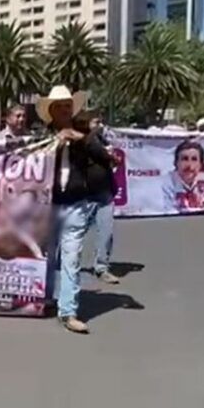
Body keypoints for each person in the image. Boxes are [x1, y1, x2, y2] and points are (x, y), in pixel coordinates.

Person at [37, 85, 107, 334]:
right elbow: (31, 161)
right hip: (48, 204)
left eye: (69, 106)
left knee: (71, 259)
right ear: (52, 111)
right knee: (45, 258)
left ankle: (68, 310)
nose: (66, 110)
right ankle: (43, 300)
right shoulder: (40, 135)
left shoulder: (84, 132)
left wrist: (84, 139)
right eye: (61, 107)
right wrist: (55, 144)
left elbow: (102, 156)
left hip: (75, 204)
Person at [84, 112, 120, 285]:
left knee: (106, 232)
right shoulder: (84, 140)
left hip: (104, 192)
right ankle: (59, 264)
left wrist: (113, 158)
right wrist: (110, 156)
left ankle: (102, 267)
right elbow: (101, 154)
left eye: (100, 122)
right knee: (73, 233)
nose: (99, 125)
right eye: (95, 122)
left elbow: (112, 161)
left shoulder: (104, 141)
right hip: (85, 194)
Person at [162, 140, 204, 211]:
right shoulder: (163, 187)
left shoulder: (203, 189)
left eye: (194, 159)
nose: (189, 165)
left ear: (200, 165)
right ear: (175, 163)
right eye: (185, 159)